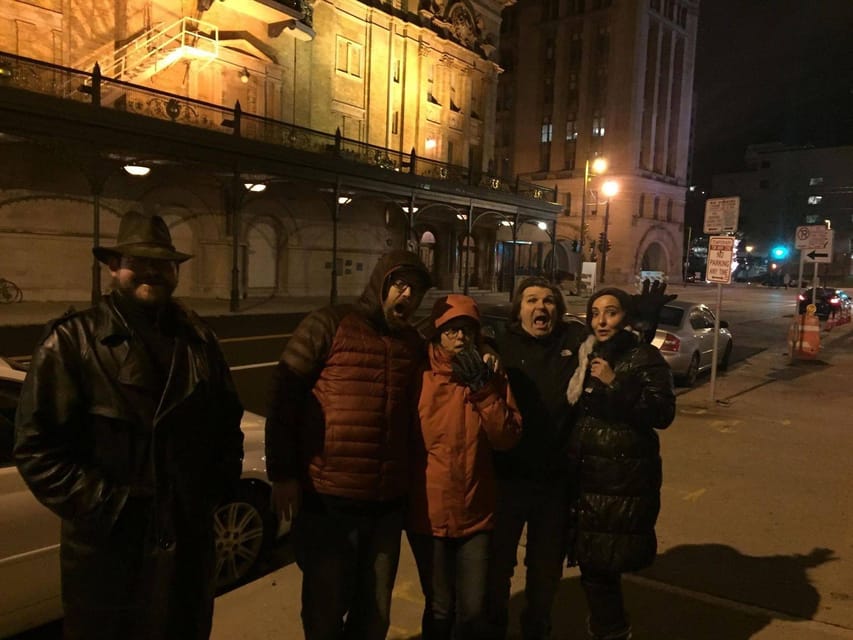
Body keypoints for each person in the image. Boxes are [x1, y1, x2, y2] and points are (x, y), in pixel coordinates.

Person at [14, 211, 244, 640]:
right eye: (138, 260)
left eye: (163, 262)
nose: (152, 271)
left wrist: (212, 489)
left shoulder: (199, 340)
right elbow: (36, 450)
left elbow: (226, 424)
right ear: (112, 267)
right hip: (110, 557)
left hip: (187, 549)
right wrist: (113, 505)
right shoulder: (70, 343)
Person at [487, 277, 675, 639]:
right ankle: (494, 629)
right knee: (497, 570)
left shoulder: (576, 342)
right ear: (518, 309)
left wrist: (643, 326)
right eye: (530, 300)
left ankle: (536, 630)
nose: (540, 307)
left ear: (558, 310)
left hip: (557, 485)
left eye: (548, 301)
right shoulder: (500, 344)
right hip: (507, 481)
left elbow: (625, 352)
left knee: (545, 573)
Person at [265, 250, 432, 640]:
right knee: (325, 612)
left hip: (387, 505)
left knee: (374, 615)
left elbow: (449, 358)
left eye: (417, 290)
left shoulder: (412, 343)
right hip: (329, 502)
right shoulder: (329, 324)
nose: (408, 295)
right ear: (380, 284)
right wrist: (283, 473)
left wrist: (486, 347)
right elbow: (284, 397)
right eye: (400, 284)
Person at [407, 294, 522, 639]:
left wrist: (484, 391)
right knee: (440, 608)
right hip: (428, 515)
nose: (459, 338)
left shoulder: (489, 376)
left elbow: (507, 437)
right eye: (451, 330)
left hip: (477, 513)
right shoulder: (419, 375)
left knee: (473, 611)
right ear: (437, 333)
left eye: (467, 331)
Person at [565, 287, 676, 640]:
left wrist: (616, 383)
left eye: (611, 312)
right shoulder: (585, 354)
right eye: (595, 312)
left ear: (624, 317)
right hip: (587, 481)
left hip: (619, 485)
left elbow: (662, 413)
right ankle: (608, 629)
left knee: (600, 571)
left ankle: (611, 632)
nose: (601, 320)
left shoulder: (644, 358)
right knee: (595, 572)